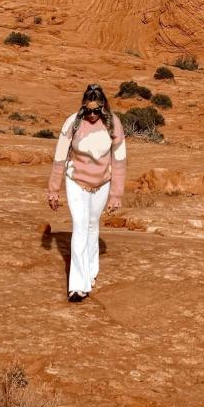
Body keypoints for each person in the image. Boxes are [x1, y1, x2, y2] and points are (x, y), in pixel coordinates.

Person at [47, 84, 126, 302]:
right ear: (83, 107)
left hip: (102, 183)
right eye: (88, 110)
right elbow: (60, 157)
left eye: (96, 110)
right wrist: (54, 189)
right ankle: (77, 286)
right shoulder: (73, 123)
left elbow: (119, 161)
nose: (92, 115)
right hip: (76, 181)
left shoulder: (113, 124)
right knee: (80, 226)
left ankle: (91, 272)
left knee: (92, 225)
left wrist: (116, 195)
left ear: (103, 107)